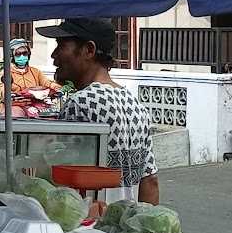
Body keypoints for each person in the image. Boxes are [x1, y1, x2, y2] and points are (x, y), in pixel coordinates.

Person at [37, 18, 159, 207]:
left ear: (89, 50)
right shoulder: (136, 105)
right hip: (123, 228)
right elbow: (150, 181)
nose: (54, 55)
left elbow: (60, 182)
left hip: (91, 229)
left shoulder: (81, 103)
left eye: (61, 46)